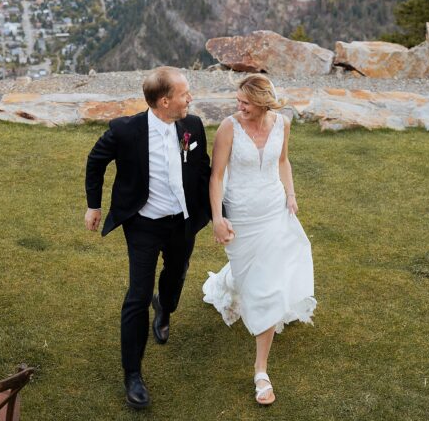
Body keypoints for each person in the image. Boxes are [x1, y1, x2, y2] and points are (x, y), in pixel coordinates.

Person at [84, 67, 212, 409]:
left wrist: (218, 212)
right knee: (137, 297)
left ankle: (165, 307)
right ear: (164, 101)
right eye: (185, 93)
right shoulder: (126, 130)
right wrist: (93, 206)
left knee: (176, 274)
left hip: (182, 222)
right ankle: (133, 375)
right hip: (142, 225)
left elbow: (203, 170)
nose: (191, 98)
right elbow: (95, 161)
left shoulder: (193, 126)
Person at [202, 74, 315, 406]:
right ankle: (231, 286)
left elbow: (283, 162)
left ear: (264, 102)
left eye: (245, 103)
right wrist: (217, 218)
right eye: (238, 101)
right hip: (241, 218)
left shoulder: (283, 124)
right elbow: (217, 175)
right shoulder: (228, 128)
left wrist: (291, 194)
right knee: (250, 276)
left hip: (275, 212)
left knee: (268, 285)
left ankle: (260, 372)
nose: (239, 107)